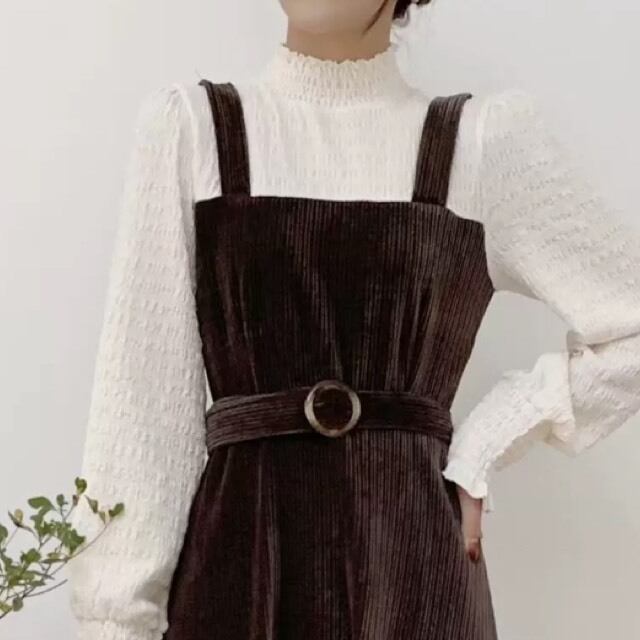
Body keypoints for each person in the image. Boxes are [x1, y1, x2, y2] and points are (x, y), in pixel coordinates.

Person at [67, 0, 640, 638]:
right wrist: (114, 622)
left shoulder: (480, 144)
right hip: (239, 568)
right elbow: (143, 415)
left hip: (415, 574)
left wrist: (490, 437)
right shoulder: (193, 130)